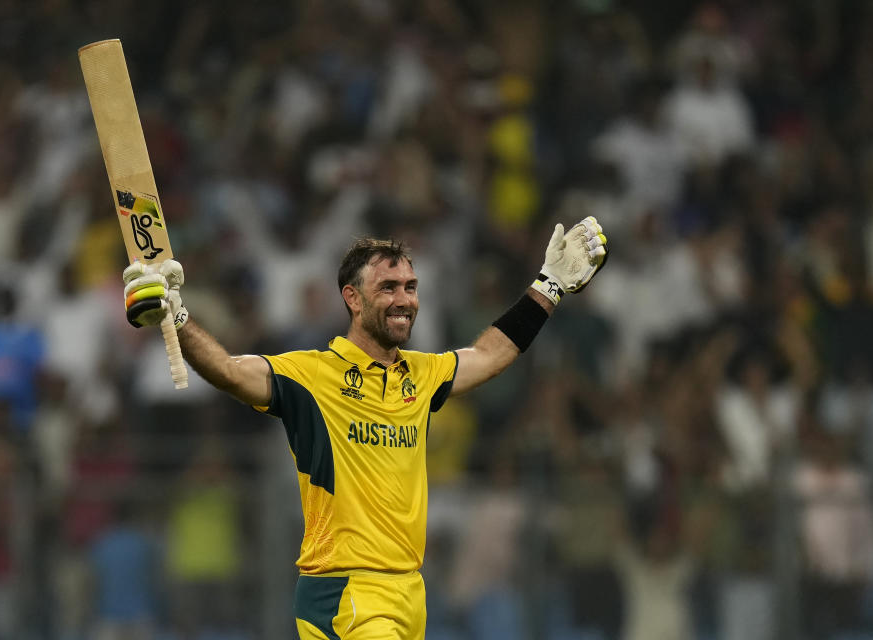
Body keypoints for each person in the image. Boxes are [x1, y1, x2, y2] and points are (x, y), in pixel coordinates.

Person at [120, 216, 608, 639]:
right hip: (344, 588)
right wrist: (176, 316)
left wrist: (549, 285)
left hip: (407, 591)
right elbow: (228, 369)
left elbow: (489, 354)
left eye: (411, 288)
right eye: (389, 289)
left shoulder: (420, 375)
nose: (405, 300)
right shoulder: (311, 374)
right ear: (352, 298)